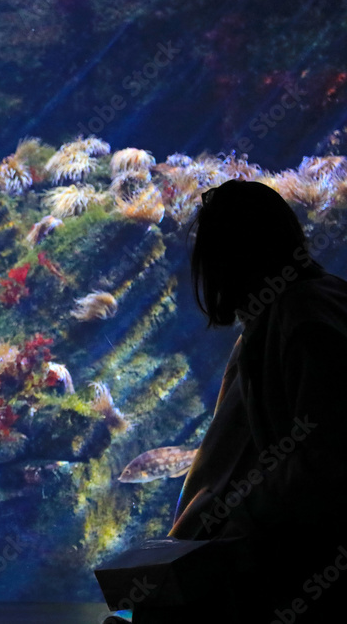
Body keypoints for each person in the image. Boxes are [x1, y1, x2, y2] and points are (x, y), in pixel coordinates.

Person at [133, 180, 347, 621]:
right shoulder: (295, 309)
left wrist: (228, 520)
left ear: (234, 256)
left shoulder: (302, 320)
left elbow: (321, 462)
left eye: (211, 255)